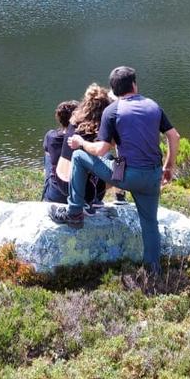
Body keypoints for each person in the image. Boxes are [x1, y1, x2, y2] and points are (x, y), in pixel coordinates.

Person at [49, 66, 180, 275]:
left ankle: (74, 213)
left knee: (80, 157)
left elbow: (100, 150)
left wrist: (81, 142)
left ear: (114, 89)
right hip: (152, 176)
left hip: (127, 177)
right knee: (150, 223)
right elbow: (174, 136)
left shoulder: (112, 111)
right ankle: (153, 271)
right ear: (134, 85)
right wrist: (168, 167)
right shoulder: (153, 106)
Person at [42, 85, 111, 207]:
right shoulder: (98, 129)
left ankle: (48, 195)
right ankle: (113, 197)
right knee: (113, 160)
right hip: (81, 190)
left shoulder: (74, 121)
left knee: (51, 156)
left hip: (60, 181)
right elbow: (101, 150)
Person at [41, 100, 77, 200]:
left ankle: (48, 188)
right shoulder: (81, 139)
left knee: (48, 155)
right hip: (78, 193)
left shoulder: (51, 135)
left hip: (55, 194)